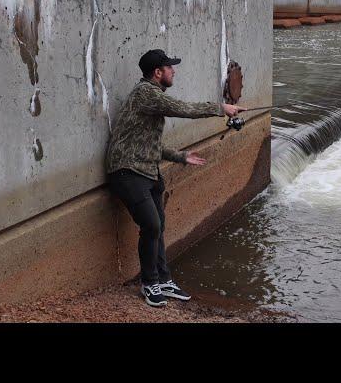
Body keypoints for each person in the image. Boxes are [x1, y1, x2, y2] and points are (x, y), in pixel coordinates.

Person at [105, 49, 246, 307]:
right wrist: (220, 108)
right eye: (170, 67)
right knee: (152, 226)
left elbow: (144, 145)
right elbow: (181, 108)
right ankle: (149, 284)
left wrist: (180, 156)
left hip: (148, 171)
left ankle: (164, 280)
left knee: (158, 226)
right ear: (157, 73)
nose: (174, 70)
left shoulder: (152, 97)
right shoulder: (146, 93)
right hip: (126, 172)